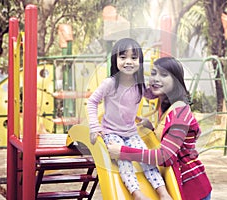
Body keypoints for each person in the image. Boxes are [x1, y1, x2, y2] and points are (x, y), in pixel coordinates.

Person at [107, 57, 212, 200]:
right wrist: (151, 129)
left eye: (164, 75)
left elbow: (165, 156)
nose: (156, 79)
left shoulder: (179, 113)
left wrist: (122, 152)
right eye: (154, 73)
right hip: (176, 183)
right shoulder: (165, 104)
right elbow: (144, 91)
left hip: (191, 188)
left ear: (176, 81)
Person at [87, 38, 172, 200]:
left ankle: (162, 192)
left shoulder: (139, 85)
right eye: (123, 57)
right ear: (115, 60)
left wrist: (164, 86)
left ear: (140, 62)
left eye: (134, 58)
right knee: (125, 160)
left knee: (146, 156)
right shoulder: (110, 84)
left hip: (132, 132)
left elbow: (153, 94)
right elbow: (92, 102)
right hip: (111, 133)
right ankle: (137, 194)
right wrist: (94, 127)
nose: (128, 62)